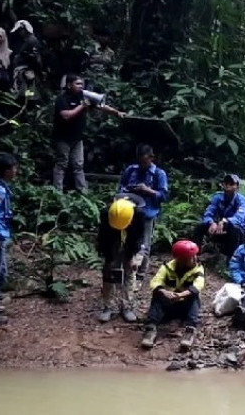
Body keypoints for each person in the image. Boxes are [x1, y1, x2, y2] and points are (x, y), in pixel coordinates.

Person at [52, 74, 125, 192]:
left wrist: (116, 113)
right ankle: (57, 192)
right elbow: (66, 116)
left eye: (82, 84)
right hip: (63, 138)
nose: (81, 86)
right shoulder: (62, 99)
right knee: (62, 164)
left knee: (78, 165)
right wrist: (82, 106)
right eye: (78, 84)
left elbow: (101, 106)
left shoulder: (83, 96)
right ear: (69, 85)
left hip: (77, 138)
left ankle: (82, 191)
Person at [141, 240, 204, 351]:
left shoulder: (198, 269)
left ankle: (190, 331)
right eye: (191, 257)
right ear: (181, 259)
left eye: (195, 256)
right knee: (157, 294)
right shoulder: (167, 267)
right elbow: (155, 281)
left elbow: (198, 285)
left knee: (194, 296)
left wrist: (181, 295)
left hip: (185, 305)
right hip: (168, 304)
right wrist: (164, 292)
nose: (194, 258)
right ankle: (150, 329)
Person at [118, 144, 169, 281]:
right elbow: (121, 187)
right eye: (140, 161)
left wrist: (148, 190)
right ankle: (127, 270)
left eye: (144, 161)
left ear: (151, 158)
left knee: (144, 244)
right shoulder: (131, 170)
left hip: (148, 212)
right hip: (129, 210)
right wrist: (129, 189)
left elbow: (164, 196)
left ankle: (140, 274)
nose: (142, 164)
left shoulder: (159, 174)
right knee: (127, 241)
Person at [97, 194, 147, 323]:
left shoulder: (139, 215)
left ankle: (127, 306)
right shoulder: (106, 213)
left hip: (132, 240)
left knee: (130, 271)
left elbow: (138, 238)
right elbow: (103, 239)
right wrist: (108, 260)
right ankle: (109, 307)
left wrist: (132, 258)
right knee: (109, 273)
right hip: (112, 240)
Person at [194, 173, 245, 258]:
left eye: (231, 184)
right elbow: (208, 213)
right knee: (199, 227)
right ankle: (195, 254)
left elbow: (240, 217)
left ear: (237, 187)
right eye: (226, 183)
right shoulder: (218, 198)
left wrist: (226, 221)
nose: (228, 186)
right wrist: (211, 223)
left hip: (239, 231)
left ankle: (231, 260)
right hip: (221, 227)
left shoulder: (241, 199)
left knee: (234, 229)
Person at [0, 153, 17, 326]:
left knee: (1, 274)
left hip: (0, 236)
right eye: (14, 167)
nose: (16, 171)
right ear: (7, 171)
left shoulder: (1, 187)